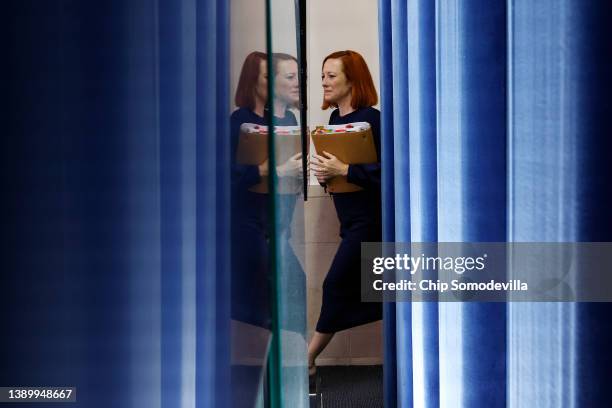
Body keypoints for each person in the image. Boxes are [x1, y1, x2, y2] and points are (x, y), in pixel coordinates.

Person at [309, 50, 382, 375]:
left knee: (335, 284)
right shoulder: (334, 122)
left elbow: (387, 174)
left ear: (352, 79)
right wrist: (326, 175)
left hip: (370, 222)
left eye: (331, 75)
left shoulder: (373, 120)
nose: (323, 82)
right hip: (349, 220)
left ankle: (307, 360)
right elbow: (338, 174)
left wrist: (346, 169)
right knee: (373, 291)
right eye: (323, 75)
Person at [229, 51, 303, 328]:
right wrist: (273, 171)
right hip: (249, 225)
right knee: (263, 303)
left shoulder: (285, 121)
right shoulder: (240, 122)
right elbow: (227, 176)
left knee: (286, 296)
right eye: (266, 77)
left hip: (277, 225)